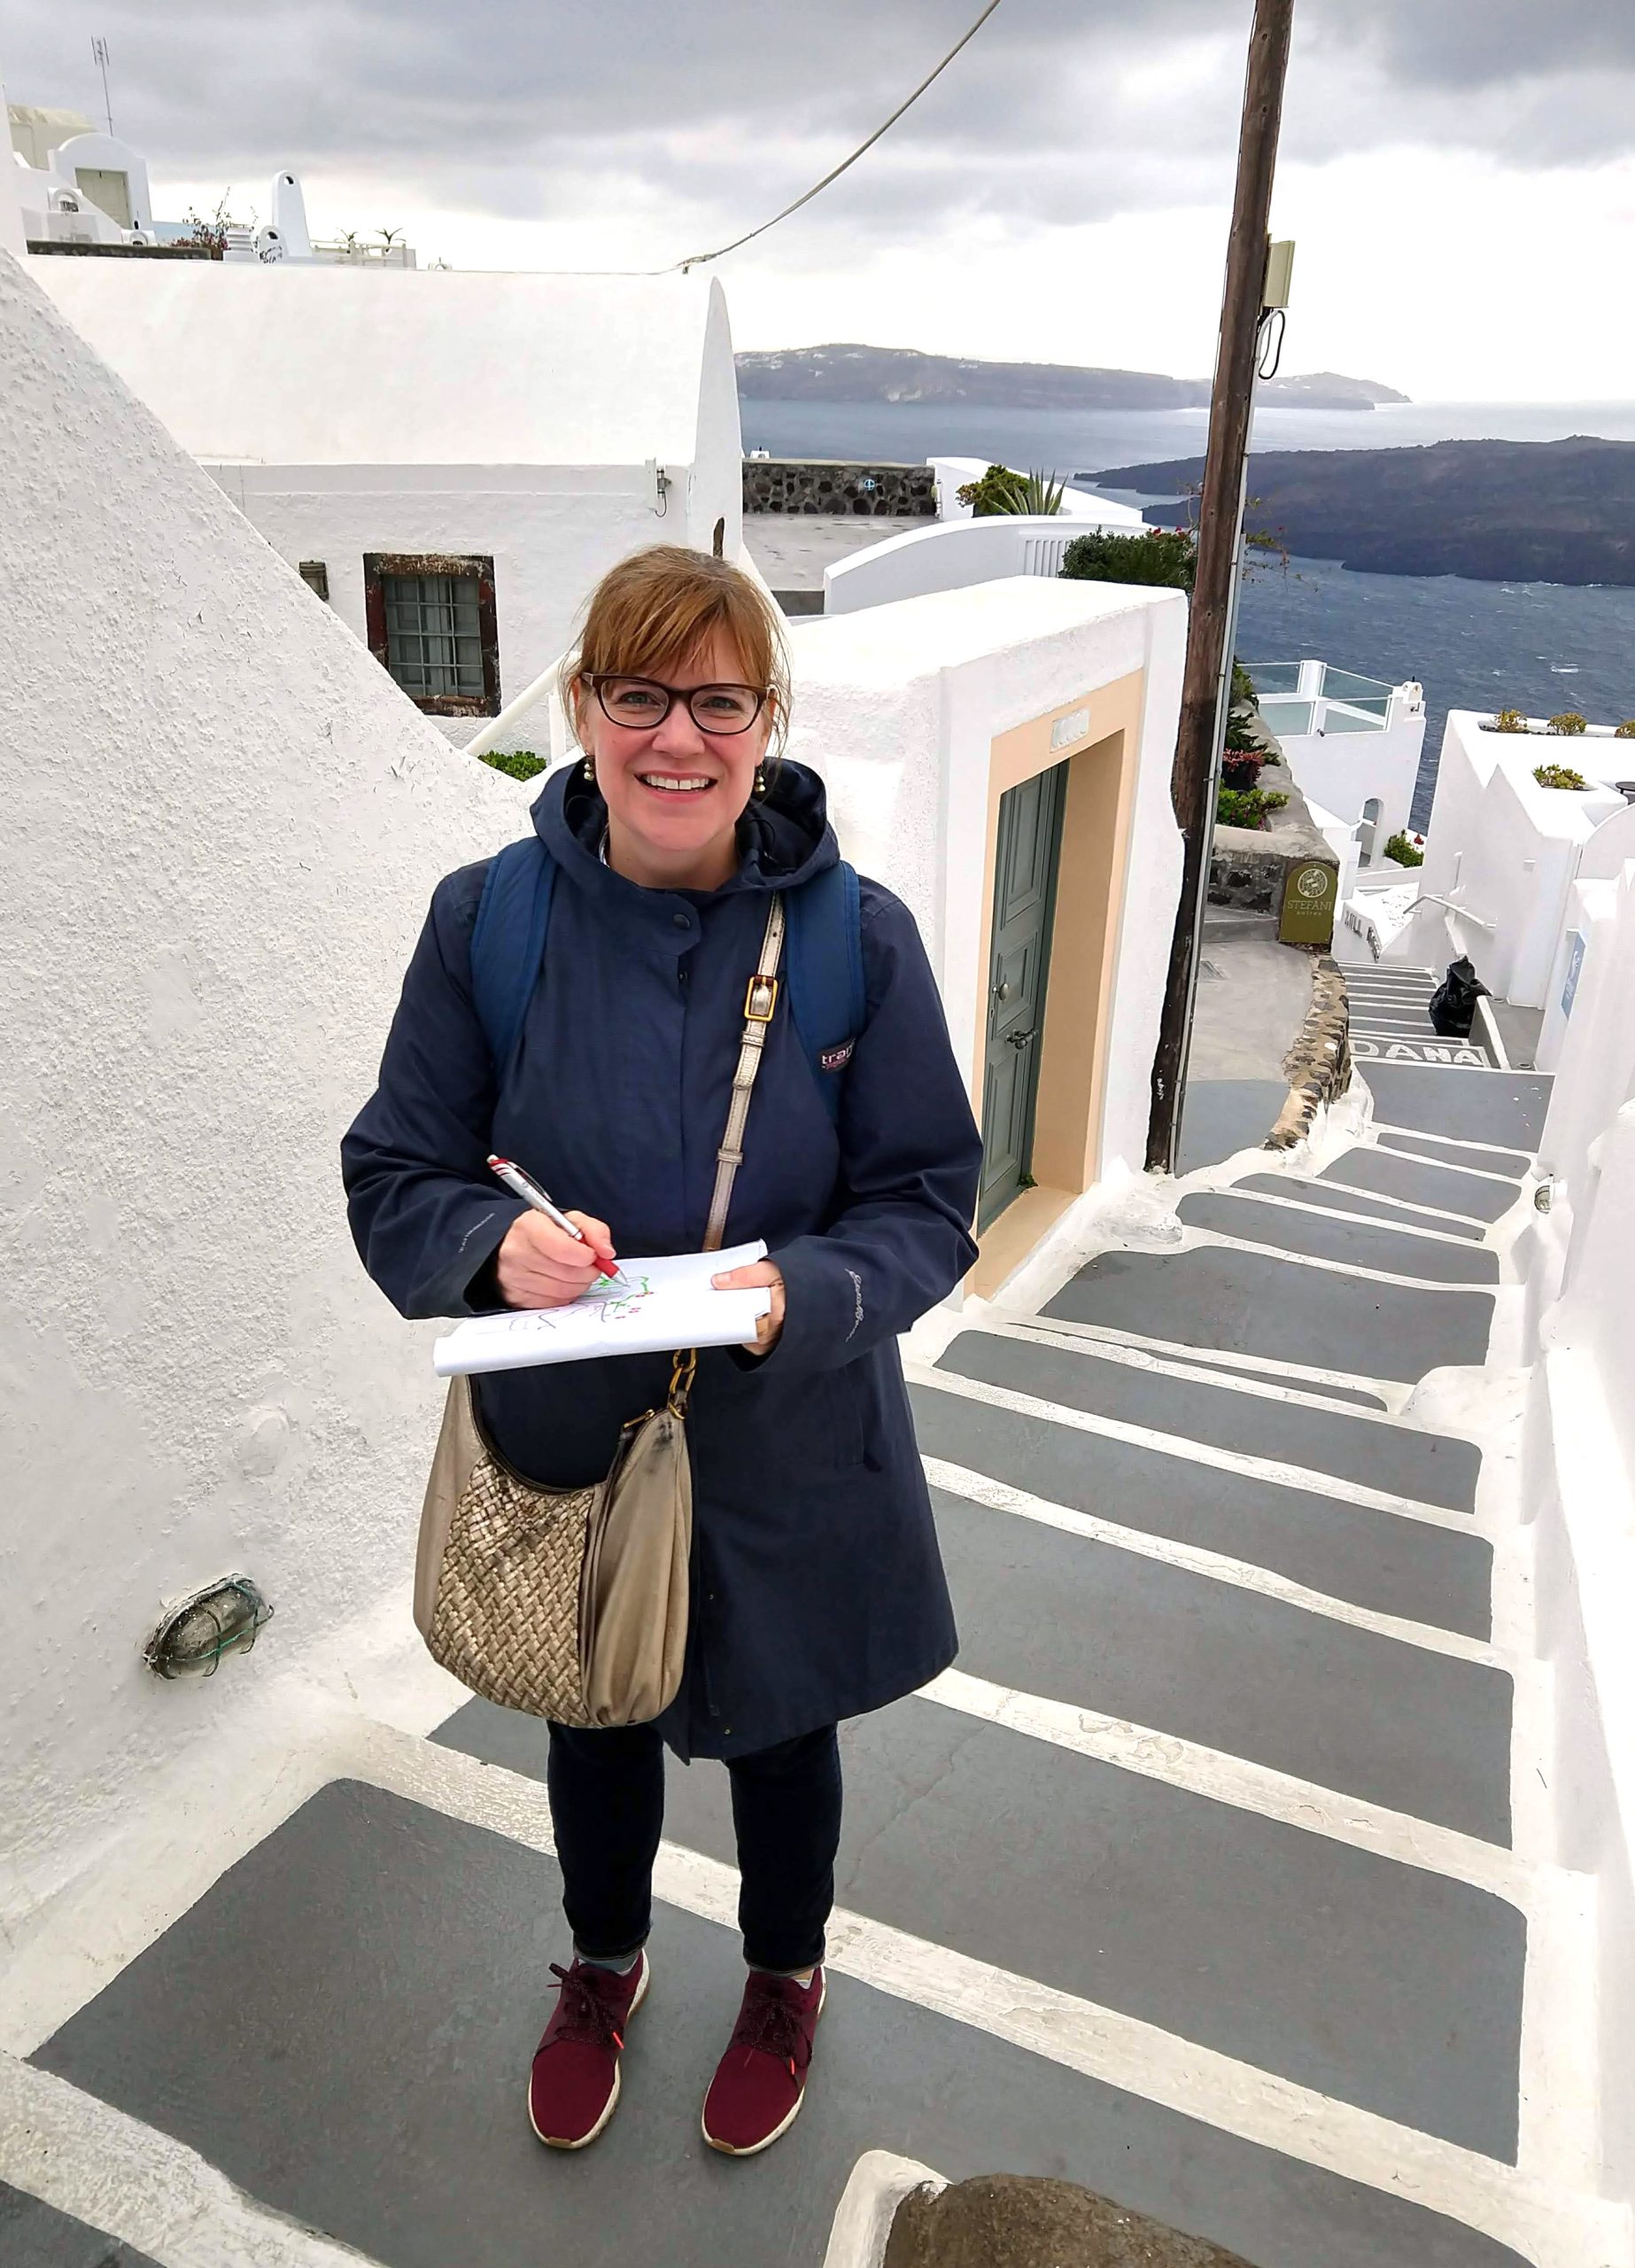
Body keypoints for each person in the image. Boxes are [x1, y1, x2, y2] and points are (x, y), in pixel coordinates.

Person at [342, 545, 981, 2157]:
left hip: (789, 1429)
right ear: (581, 707)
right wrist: (494, 1248)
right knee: (594, 1719)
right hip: (576, 1423)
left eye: (716, 701)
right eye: (639, 696)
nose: (674, 741)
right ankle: (603, 1964)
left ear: (767, 721)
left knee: (784, 1731)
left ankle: (785, 1975)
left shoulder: (859, 941)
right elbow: (397, 1171)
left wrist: (808, 1296)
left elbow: (923, 1203)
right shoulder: (488, 924)